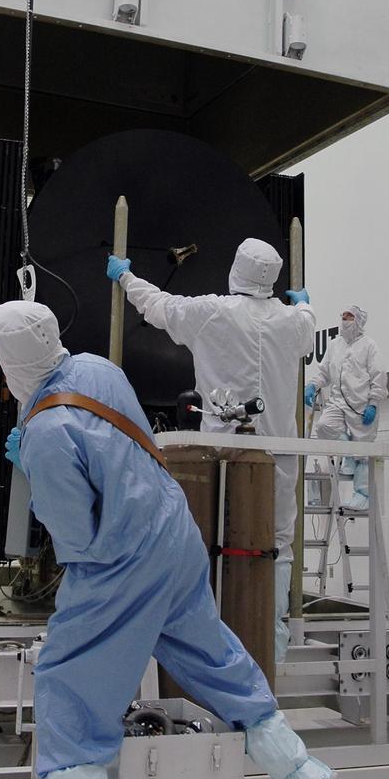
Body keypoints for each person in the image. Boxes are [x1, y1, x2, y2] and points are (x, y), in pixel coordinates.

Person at [0, 300, 333, 779]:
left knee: (68, 676)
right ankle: (297, 774)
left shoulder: (47, 430)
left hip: (120, 559)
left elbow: (77, 538)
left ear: (8, 361)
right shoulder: (99, 368)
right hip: (176, 536)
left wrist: (37, 471)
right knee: (212, 656)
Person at [107, 238, 314, 663]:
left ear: (236, 268)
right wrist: (305, 305)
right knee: (276, 545)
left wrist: (125, 276)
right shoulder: (292, 322)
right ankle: (268, 657)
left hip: (219, 455)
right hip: (278, 456)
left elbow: (159, 306)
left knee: (210, 539)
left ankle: (211, 657)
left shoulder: (212, 312)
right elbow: (308, 327)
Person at [304, 305, 387, 510]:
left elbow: (379, 375)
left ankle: (362, 495)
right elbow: (324, 371)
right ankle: (346, 453)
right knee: (324, 426)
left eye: (349, 317)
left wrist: (374, 403)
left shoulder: (369, 346)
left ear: (358, 321)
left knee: (363, 453)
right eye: (343, 316)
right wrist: (313, 385)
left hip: (361, 405)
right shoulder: (335, 345)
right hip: (338, 401)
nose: (345, 320)